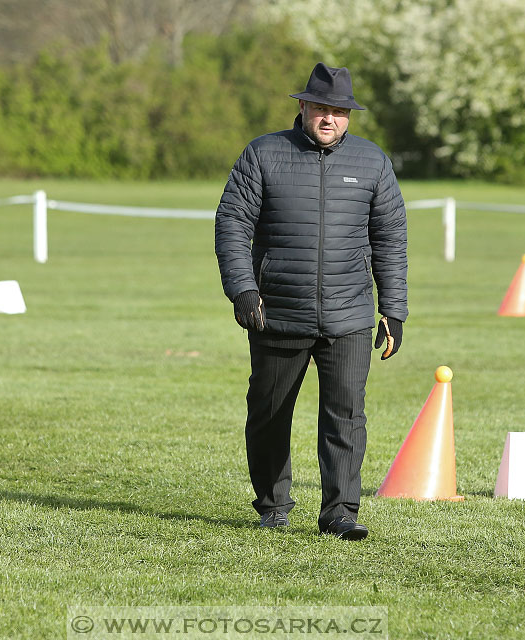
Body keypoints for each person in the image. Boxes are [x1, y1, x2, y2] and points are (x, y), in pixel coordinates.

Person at [215, 63, 408, 541]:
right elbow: (232, 224)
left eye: (339, 111)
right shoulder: (263, 154)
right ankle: (273, 505)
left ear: (349, 115)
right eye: (321, 108)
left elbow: (390, 239)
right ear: (302, 107)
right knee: (269, 414)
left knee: (346, 417)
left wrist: (394, 309)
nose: (329, 118)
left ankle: (340, 513)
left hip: (349, 317)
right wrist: (243, 289)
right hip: (277, 313)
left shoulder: (373, 162)